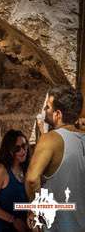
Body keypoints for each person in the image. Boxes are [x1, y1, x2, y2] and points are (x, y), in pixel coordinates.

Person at [25, 85, 85, 232]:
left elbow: (32, 179)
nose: (45, 110)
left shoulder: (51, 139)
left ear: (57, 114)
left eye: (48, 107)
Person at [0, 129, 30, 232]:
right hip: (5, 228)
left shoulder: (25, 168)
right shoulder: (1, 171)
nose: (23, 151)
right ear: (10, 150)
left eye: (24, 146)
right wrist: (13, 220)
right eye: (17, 149)